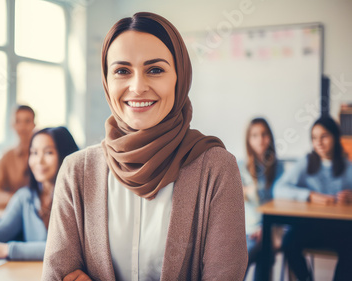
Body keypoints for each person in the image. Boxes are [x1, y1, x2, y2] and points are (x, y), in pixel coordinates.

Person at [42, 12, 247, 281]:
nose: (137, 87)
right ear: (106, 80)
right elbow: (57, 275)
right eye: (122, 71)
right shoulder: (76, 171)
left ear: (180, 77)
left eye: (155, 70)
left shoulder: (216, 168)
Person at [0, 127, 79, 260]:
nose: (39, 161)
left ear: (66, 155)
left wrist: (7, 249)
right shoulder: (25, 197)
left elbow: (63, 250)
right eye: (34, 153)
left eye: (48, 152)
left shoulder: (76, 198)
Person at [274, 116, 352, 281]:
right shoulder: (306, 162)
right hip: (311, 227)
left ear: (336, 137)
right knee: (289, 242)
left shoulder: (347, 166)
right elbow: (279, 189)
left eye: (324, 136)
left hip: (338, 230)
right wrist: (309, 196)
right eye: (314, 138)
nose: (319, 143)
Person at [238, 118, 284, 280]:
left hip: (269, 229)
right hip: (246, 231)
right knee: (239, 259)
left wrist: (266, 228)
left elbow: (281, 203)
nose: (260, 140)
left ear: (270, 137)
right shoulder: (240, 167)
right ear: (248, 140)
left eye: (264, 134)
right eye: (255, 135)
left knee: (264, 250)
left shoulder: (278, 168)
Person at [0, 105, 36, 209]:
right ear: (12, 125)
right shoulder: (7, 156)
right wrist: (18, 200)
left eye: (27, 121)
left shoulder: (43, 154)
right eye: (18, 121)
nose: (22, 127)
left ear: (34, 124)